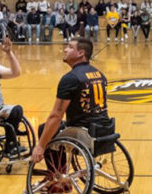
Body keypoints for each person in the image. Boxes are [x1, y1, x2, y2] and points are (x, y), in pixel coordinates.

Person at [30, 37, 110, 167]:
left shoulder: (71, 78)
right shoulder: (99, 74)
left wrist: (40, 146)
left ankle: (59, 181)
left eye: (70, 47)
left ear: (81, 53)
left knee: (45, 128)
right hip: (104, 128)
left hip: (84, 132)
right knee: (58, 127)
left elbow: (56, 116)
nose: (65, 49)